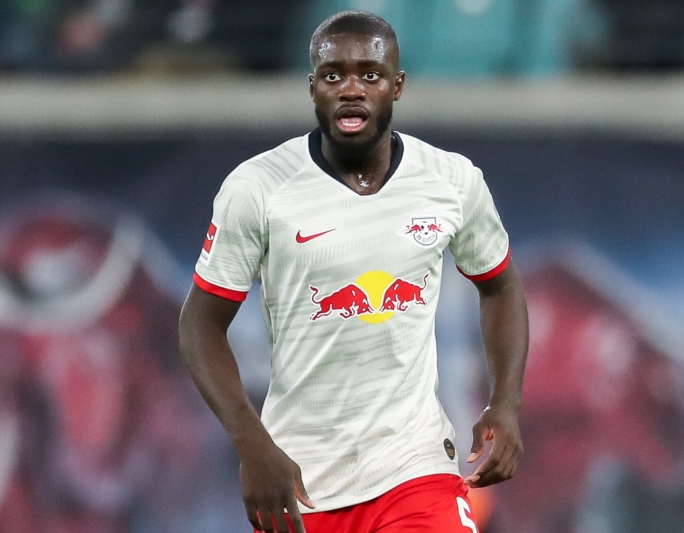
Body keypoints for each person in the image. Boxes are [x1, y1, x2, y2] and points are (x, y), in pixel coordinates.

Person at [178, 10, 529, 533]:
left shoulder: (451, 180)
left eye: (370, 74)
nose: (351, 89)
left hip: (416, 469)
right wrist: (251, 444)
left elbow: (499, 286)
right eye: (333, 75)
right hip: (301, 481)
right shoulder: (258, 187)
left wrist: (506, 403)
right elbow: (200, 323)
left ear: (397, 86)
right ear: (312, 88)